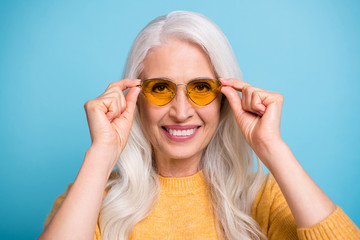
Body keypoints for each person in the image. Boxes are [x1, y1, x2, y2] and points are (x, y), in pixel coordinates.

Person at [39, 11, 360, 240]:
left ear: (224, 99)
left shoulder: (264, 198)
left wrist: (273, 149)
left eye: (201, 88)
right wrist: (101, 153)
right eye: (161, 88)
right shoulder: (91, 198)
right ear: (135, 98)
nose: (181, 112)